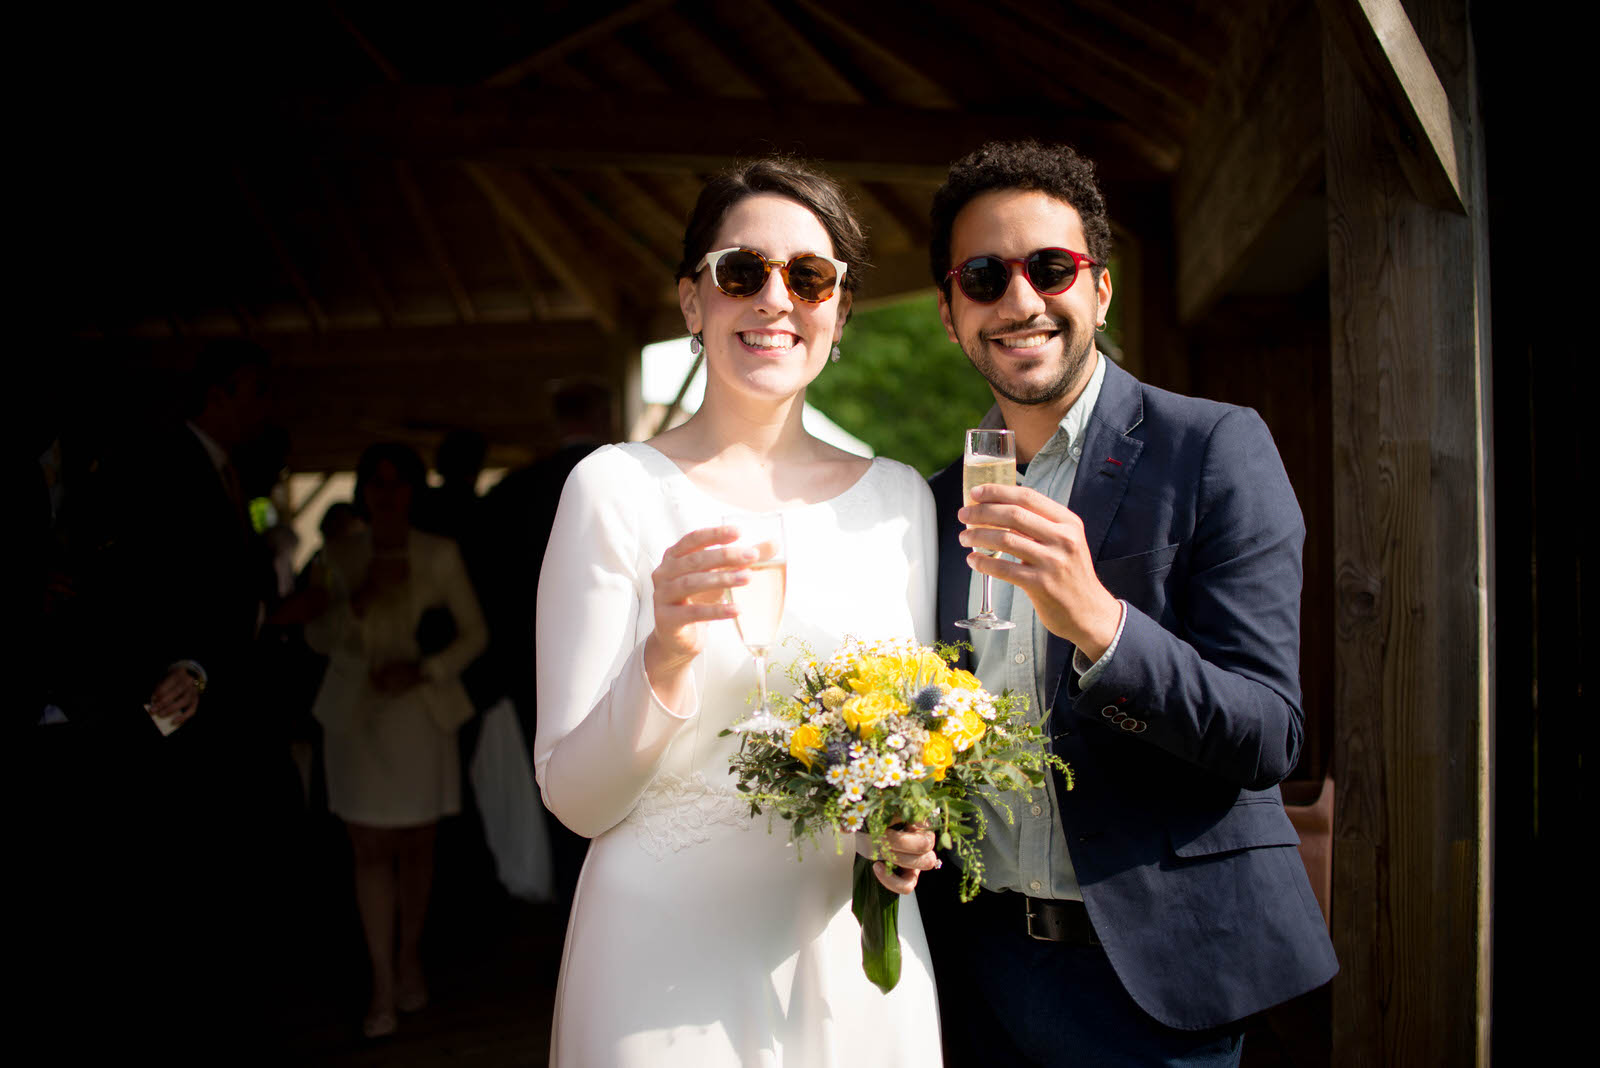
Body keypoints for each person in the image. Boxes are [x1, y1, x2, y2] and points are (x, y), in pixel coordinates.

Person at [911, 141, 1338, 1066]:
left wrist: (1100, 623)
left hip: (1154, 979)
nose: (1020, 300)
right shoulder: (932, 502)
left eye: (1050, 268)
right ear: (950, 314)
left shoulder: (1215, 446)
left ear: (1099, 288)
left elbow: (1269, 735)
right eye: (984, 276)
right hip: (973, 974)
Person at [534, 157, 943, 1066]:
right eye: (740, 271)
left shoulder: (901, 501)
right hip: (655, 965)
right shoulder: (611, 490)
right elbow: (573, 797)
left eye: (809, 276)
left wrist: (913, 825)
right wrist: (665, 652)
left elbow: (916, 745)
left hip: (850, 963)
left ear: (838, 313)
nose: (774, 299)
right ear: (692, 302)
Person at [306, 442, 488, 1039]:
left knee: (415, 845)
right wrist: (356, 601)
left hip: (417, 715)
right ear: (363, 490)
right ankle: (382, 981)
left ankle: (409, 956)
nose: (387, 493)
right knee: (367, 849)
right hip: (356, 719)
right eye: (376, 482)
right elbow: (314, 636)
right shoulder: (335, 554)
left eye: (398, 481)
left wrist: (425, 669)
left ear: (413, 489)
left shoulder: (439, 554)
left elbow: (475, 635)